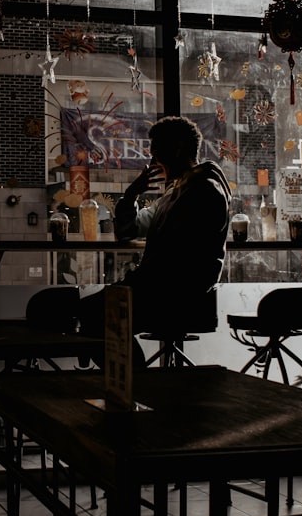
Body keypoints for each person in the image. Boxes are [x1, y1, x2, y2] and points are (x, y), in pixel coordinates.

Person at [30, 115, 232, 366]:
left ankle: (132, 380)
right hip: (162, 289)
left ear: (177, 148)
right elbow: (129, 231)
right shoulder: (178, 192)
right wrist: (132, 194)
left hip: (174, 293)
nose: (152, 156)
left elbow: (178, 260)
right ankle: (131, 379)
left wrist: (135, 282)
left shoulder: (202, 191)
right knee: (74, 308)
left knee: (81, 311)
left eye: (156, 147)